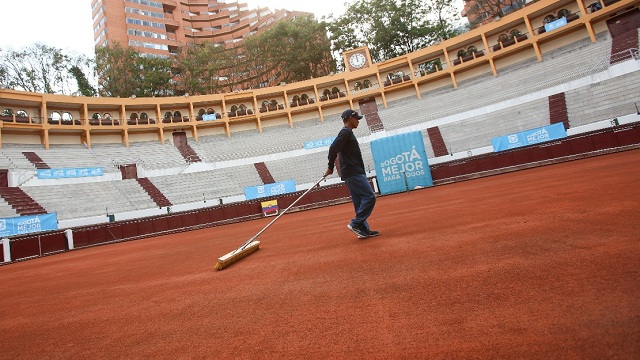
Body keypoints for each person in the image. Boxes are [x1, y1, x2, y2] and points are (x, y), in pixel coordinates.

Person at [324, 109, 379, 239]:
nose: (358, 121)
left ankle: (363, 230)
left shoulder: (348, 133)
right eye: (356, 119)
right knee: (370, 197)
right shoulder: (345, 132)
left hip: (352, 172)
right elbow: (333, 148)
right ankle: (356, 223)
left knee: (359, 202)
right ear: (349, 118)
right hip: (353, 172)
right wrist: (331, 167)